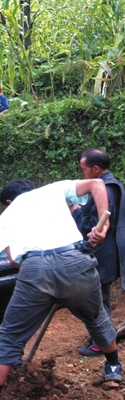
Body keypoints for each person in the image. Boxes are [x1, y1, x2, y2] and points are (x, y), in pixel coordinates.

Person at [0, 178, 121, 400]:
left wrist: (43, 271)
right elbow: (97, 183)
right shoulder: (53, 190)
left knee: (11, 335)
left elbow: (13, 260)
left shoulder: (9, 214)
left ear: (9, 202)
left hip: (35, 269)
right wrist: (103, 226)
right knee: (96, 316)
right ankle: (113, 367)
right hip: (76, 259)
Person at [71, 149, 125, 356]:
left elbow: (94, 226)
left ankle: (102, 343)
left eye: (84, 169)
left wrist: (74, 210)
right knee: (99, 298)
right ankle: (101, 337)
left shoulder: (105, 191)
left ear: (95, 169)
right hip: (109, 250)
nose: (83, 173)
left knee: (99, 300)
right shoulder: (114, 184)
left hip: (102, 253)